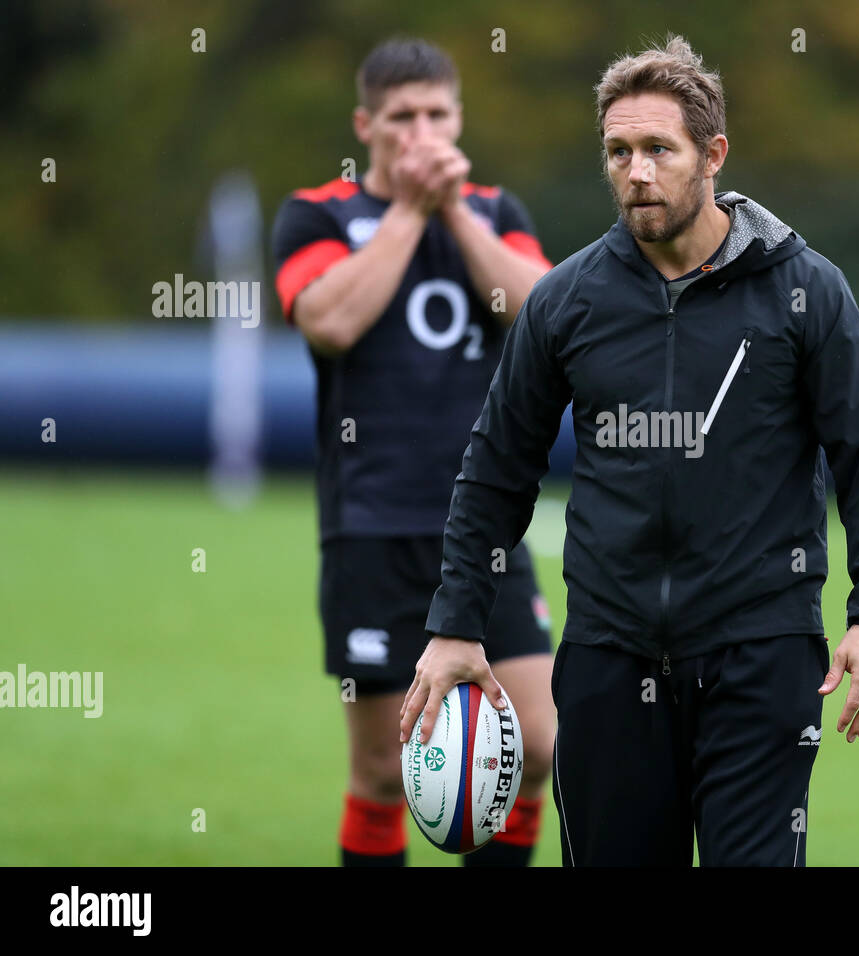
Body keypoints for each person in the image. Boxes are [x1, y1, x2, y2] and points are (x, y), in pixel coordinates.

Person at [400, 33, 859, 866]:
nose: (636, 172)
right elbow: (496, 469)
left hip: (762, 655)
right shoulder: (566, 301)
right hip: (609, 657)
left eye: (657, 150)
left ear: (712, 153)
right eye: (618, 151)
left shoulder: (803, 288)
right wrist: (456, 623)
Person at [270, 37, 556, 867]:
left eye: (437, 114)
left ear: (460, 118)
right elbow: (330, 320)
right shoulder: (318, 213)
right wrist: (406, 213)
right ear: (366, 125)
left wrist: (454, 208)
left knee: (534, 747)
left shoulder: (498, 211)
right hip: (373, 524)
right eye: (401, 118)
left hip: (487, 527)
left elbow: (537, 314)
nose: (420, 132)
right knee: (385, 770)